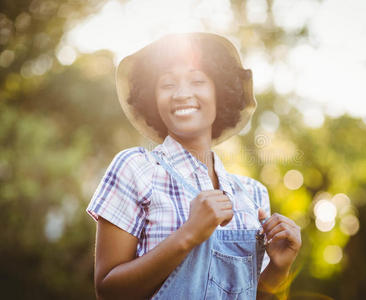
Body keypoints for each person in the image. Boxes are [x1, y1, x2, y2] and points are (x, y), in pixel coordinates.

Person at [86, 32, 302, 300]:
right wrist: (189, 234)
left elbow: (257, 295)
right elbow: (107, 291)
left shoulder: (253, 194)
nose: (181, 94)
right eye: (167, 84)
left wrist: (279, 270)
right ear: (152, 98)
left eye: (197, 80)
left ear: (219, 91)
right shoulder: (137, 169)